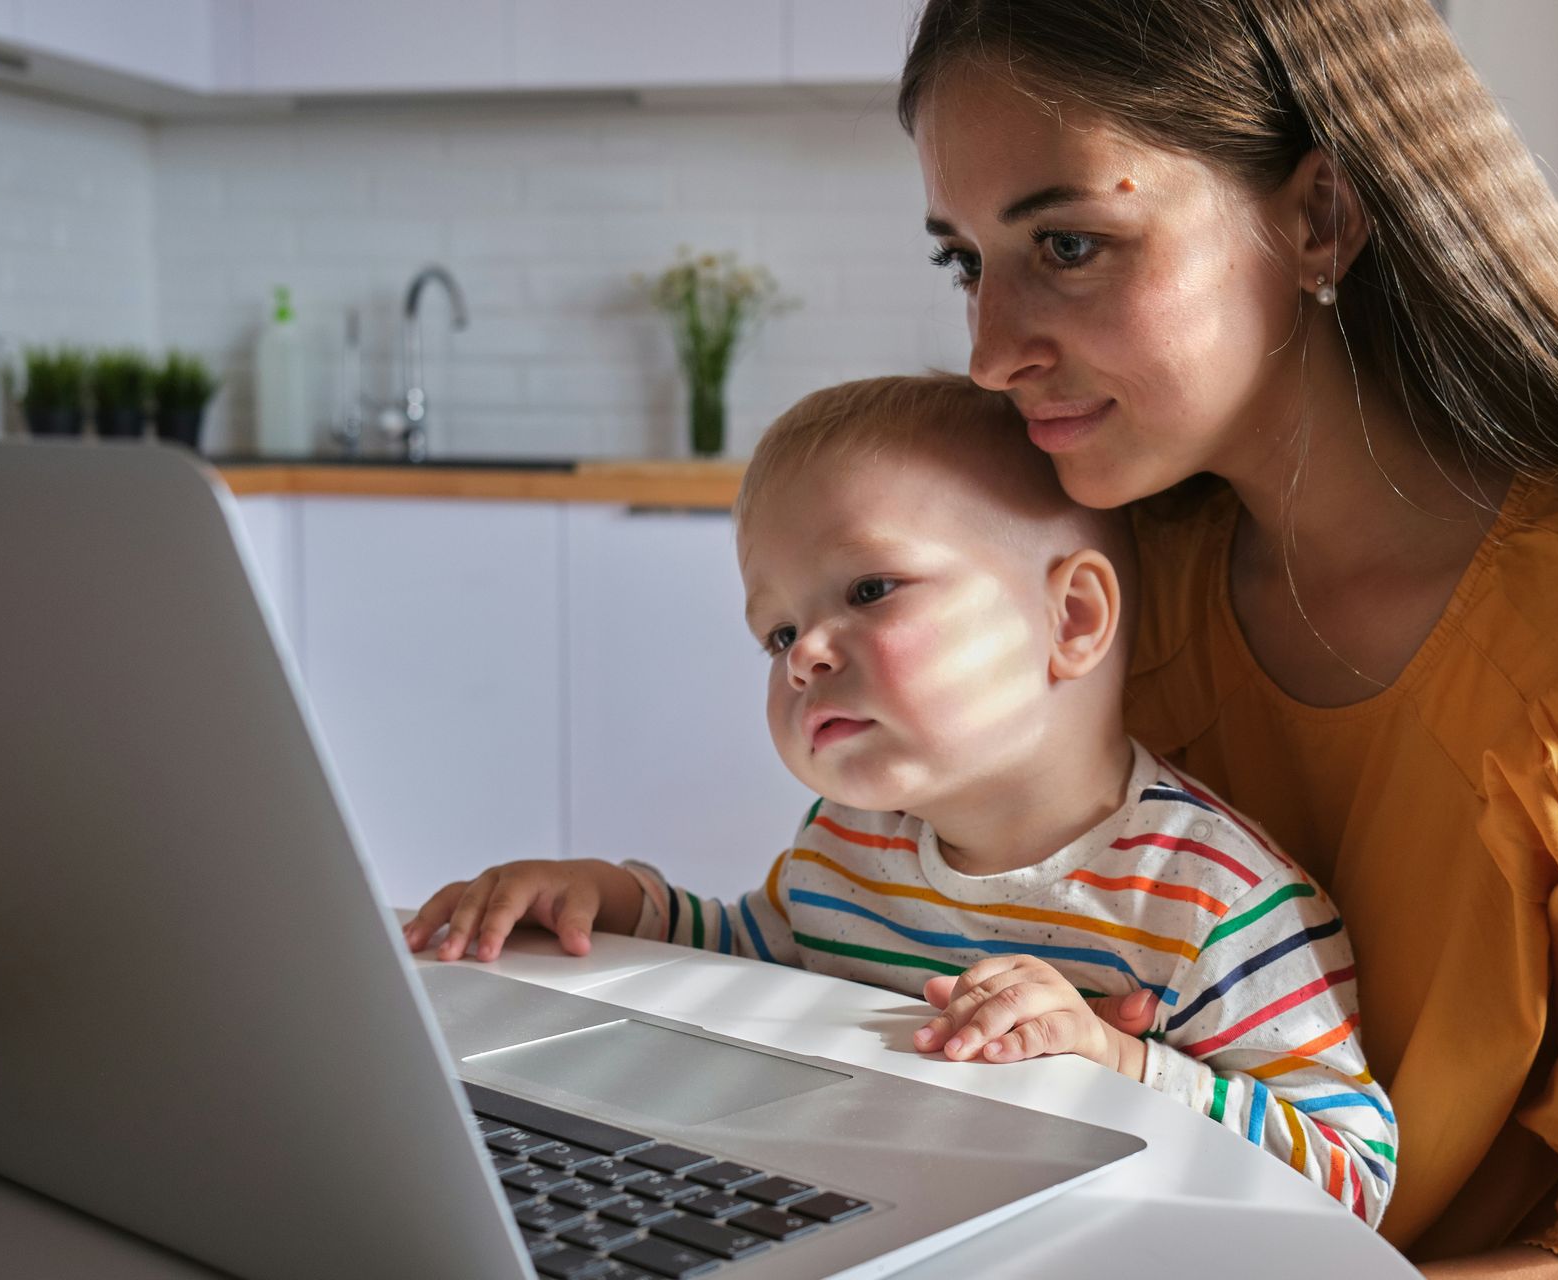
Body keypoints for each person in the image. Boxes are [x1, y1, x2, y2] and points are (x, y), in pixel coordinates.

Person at [894, 1, 1558, 1278]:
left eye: (1071, 243)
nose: (988, 349)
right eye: (964, 261)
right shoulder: (1111, 591)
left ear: (1319, 217)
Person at [404, 373, 1399, 1228]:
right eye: (777, 631)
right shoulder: (847, 843)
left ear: (1074, 616)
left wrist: (1117, 1059)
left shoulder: (1212, 896)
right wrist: (615, 900)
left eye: (870, 589)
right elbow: (770, 957)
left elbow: (1357, 1176)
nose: (806, 655)